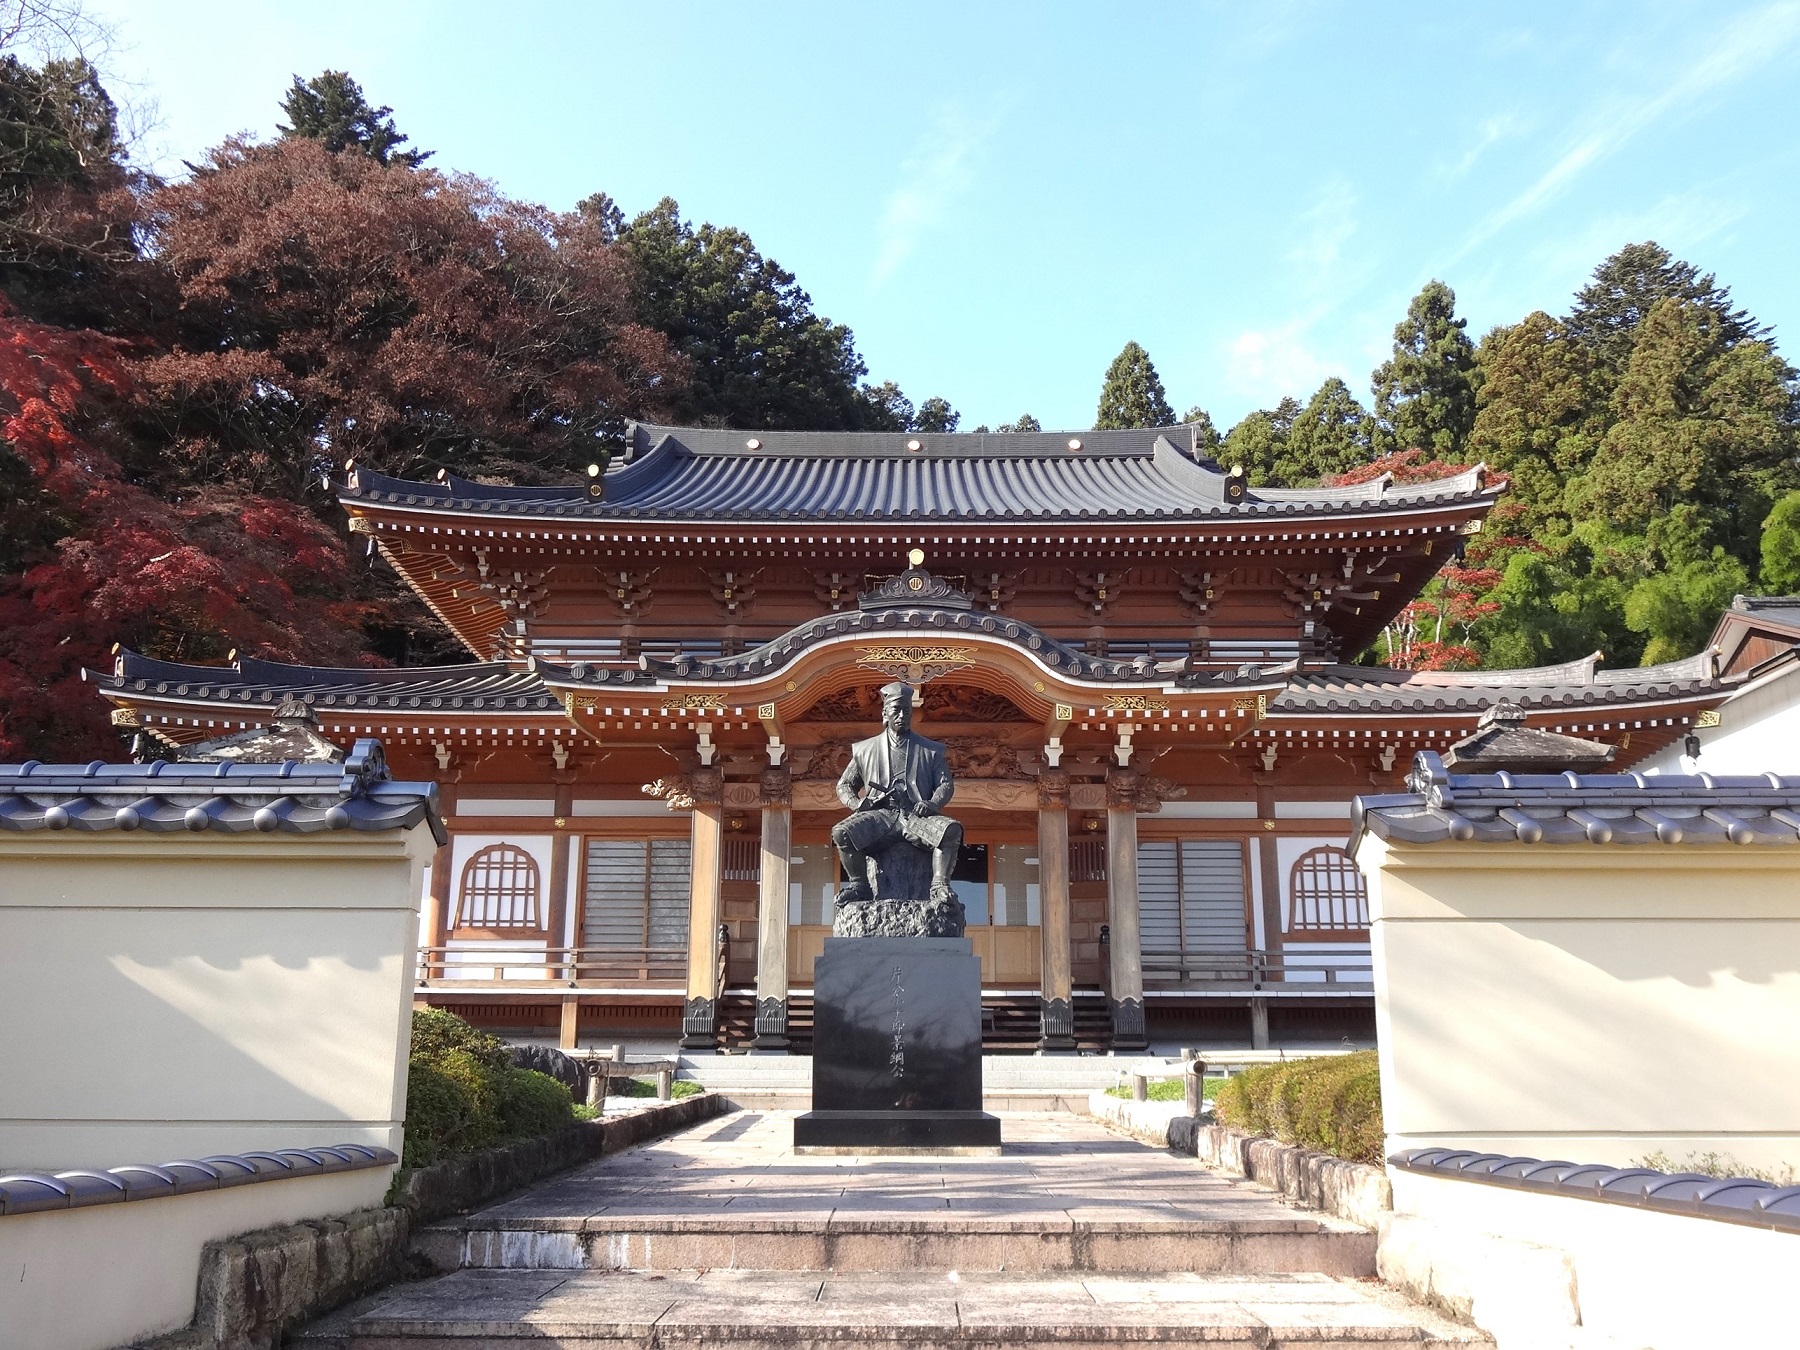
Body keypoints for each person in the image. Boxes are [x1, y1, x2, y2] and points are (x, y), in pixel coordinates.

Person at [832, 682, 963, 906]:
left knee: (951, 830)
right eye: (896, 710)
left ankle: (939, 885)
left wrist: (931, 804)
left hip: (915, 815)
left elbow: (945, 786)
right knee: (841, 833)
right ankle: (859, 885)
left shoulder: (930, 750)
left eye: (906, 711)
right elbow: (844, 785)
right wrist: (857, 802)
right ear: (885, 713)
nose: (902, 715)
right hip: (880, 815)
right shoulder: (865, 750)